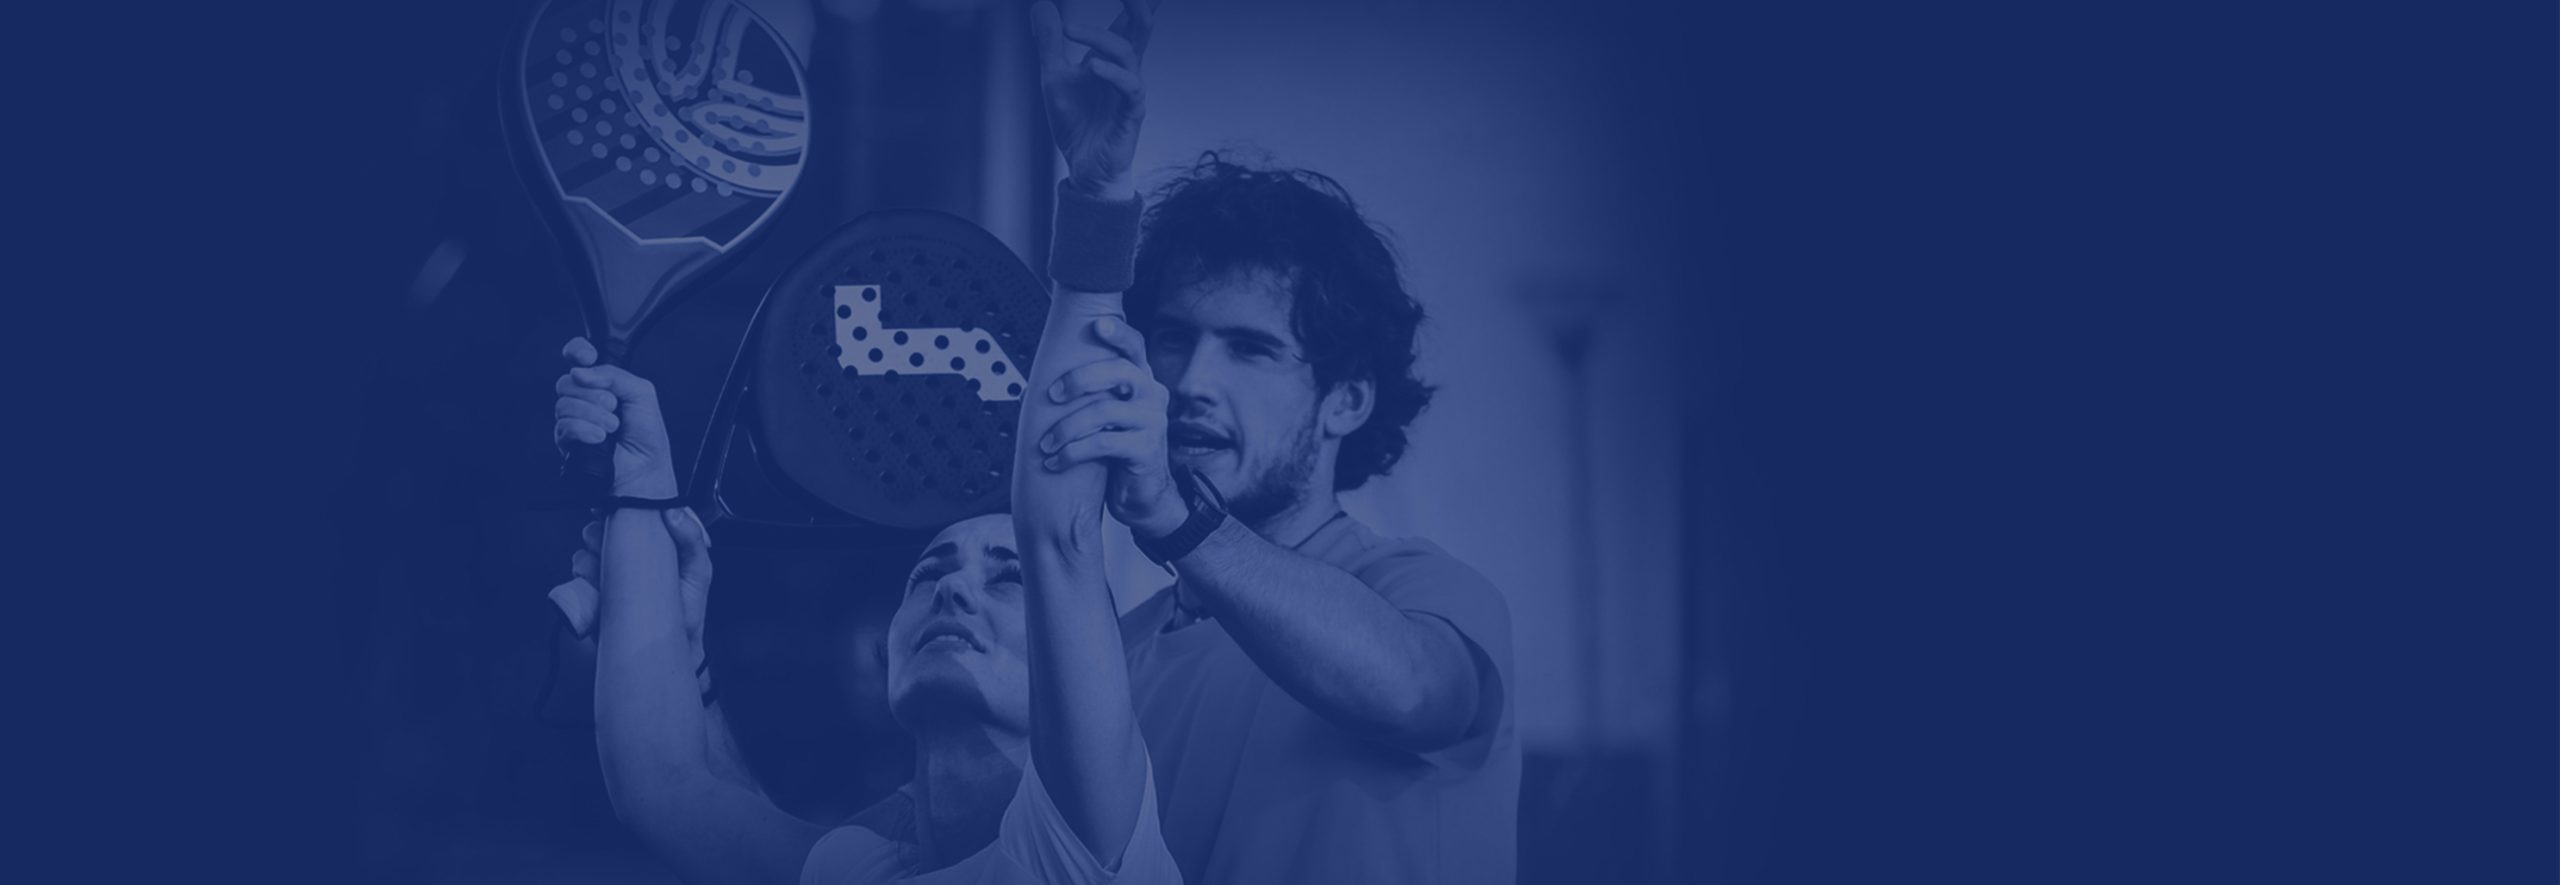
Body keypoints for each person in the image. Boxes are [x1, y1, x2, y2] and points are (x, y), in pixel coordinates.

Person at [1017, 11, 1521, 881]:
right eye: (1173, 338)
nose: (1193, 380)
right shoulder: (1118, 648)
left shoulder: (1422, 589)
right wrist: (1095, 191)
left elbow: (1415, 691)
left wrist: (1177, 521)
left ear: (1346, 400)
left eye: (1250, 349)